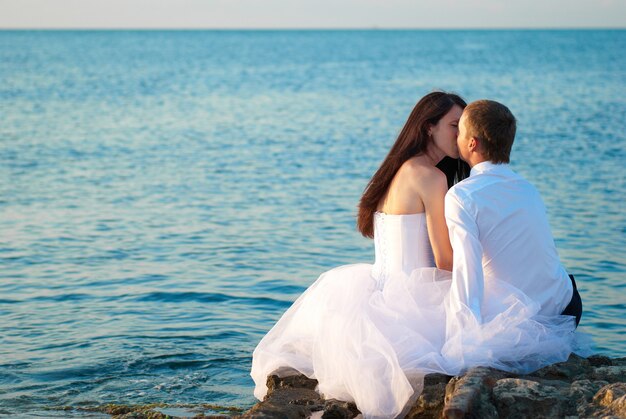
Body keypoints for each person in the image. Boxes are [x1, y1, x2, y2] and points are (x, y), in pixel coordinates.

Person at [251, 91, 469, 418]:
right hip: (411, 299)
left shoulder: (398, 169)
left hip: (380, 290)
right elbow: (444, 262)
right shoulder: (431, 177)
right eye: (454, 125)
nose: (462, 135)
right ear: (428, 127)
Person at [441, 99, 584, 371]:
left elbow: (466, 272)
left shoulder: (461, 196)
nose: (454, 136)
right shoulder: (528, 188)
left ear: (472, 143)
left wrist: (463, 343)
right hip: (565, 309)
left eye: (458, 130)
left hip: (519, 322)